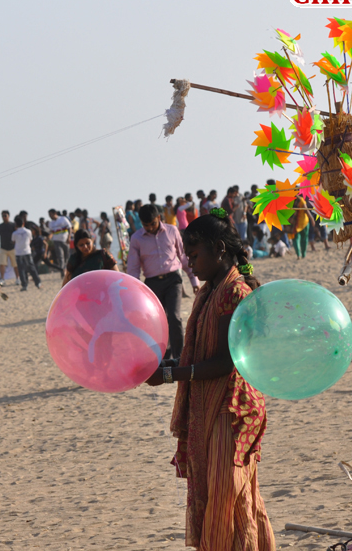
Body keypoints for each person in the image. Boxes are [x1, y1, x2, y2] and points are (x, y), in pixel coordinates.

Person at [145, 212, 275, 550]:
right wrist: (167, 364)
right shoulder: (209, 290)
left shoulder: (235, 292)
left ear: (219, 249)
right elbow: (200, 353)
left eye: (195, 255)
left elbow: (224, 362)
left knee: (227, 496)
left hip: (232, 409)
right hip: (210, 405)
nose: (191, 264)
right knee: (230, 496)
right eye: (187, 257)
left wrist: (172, 373)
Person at [127, 205, 200, 363]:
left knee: (174, 317)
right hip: (152, 284)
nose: (150, 227)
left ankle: (180, 357)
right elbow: (133, 267)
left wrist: (194, 279)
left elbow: (184, 257)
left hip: (173, 280)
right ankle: (163, 356)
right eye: (146, 225)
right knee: (157, 321)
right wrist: (132, 290)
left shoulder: (172, 231)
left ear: (159, 218)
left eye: (152, 223)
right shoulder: (136, 239)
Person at [13, 217, 42, 291]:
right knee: (31, 267)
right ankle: (38, 282)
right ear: (23, 223)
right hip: (27, 251)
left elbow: (13, 241)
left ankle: (24, 285)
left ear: (16, 224)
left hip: (18, 253)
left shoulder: (14, 233)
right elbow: (30, 240)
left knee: (21, 269)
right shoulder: (28, 231)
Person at [0, 210, 19, 286]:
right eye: (2, 216)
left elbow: (17, 234)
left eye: (5, 215)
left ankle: (18, 278)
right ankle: (2, 279)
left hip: (12, 248)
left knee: (15, 264)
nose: (4, 217)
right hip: (3, 248)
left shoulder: (13, 225)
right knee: (2, 264)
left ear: (9, 216)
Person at [48, 208, 72, 275]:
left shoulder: (63, 219)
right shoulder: (51, 223)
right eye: (49, 215)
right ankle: (62, 272)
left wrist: (69, 237)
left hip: (65, 240)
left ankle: (68, 270)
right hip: (56, 241)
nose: (50, 216)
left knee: (67, 256)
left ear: (55, 213)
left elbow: (69, 227)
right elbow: (51, 232)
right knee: (60, 257)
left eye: (51, 214)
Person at [290, 194, 311, 259]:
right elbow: (306, 210)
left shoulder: (289, 201)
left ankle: (298, 254)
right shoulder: (301, 200)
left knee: (295, 239)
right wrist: (312, 219)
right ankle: (303, 254)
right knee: (304, 239)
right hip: (303, 222)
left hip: (294, 223)